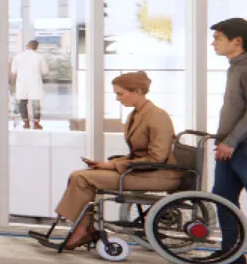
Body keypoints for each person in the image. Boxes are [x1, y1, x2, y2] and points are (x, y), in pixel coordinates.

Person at [35, 72, 175, 251]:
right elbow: (139, 155)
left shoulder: (157, 116)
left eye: (120, 94)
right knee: (78, 176)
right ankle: (83, 227)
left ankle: (82, 229)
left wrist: (113, 165)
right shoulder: (137, 115)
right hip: (141, 170)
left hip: (158, 174)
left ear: (138, 91)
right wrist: (108, 164)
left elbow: (157, 158)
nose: (117, 99)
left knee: (82, 178)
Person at [211, 17, 247, 264]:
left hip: (240, 145)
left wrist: (232, 141)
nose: (213, 43)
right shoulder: (234, 66)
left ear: (237, 41)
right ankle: (232, 252)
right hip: (229, 145)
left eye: (218, 38)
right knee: (222, 194)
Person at [10, 38, 48, 129]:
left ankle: (26, 123)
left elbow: (13, 71)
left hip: (22, 83)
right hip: (34, 82)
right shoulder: (39, 57)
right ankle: (35, 124)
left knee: (23, 102)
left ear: (27, 46)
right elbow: (45, 71)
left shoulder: (18, 57)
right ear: (36, 47)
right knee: (36, 104)